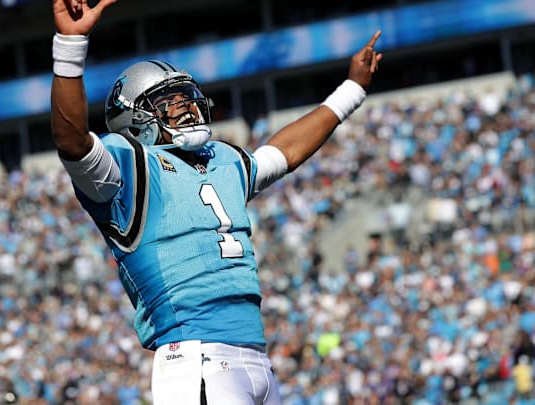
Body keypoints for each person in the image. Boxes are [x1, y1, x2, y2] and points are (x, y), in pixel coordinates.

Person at [50, 1, 382, 403]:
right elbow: (72, 141)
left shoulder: (221, 160)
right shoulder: (129, 169)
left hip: (254, 357)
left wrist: (352, 91)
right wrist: (70, 46)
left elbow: (285, 152)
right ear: (135, 119)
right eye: (170, 102)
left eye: (188, 98)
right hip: (195, 356)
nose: (188, 107)